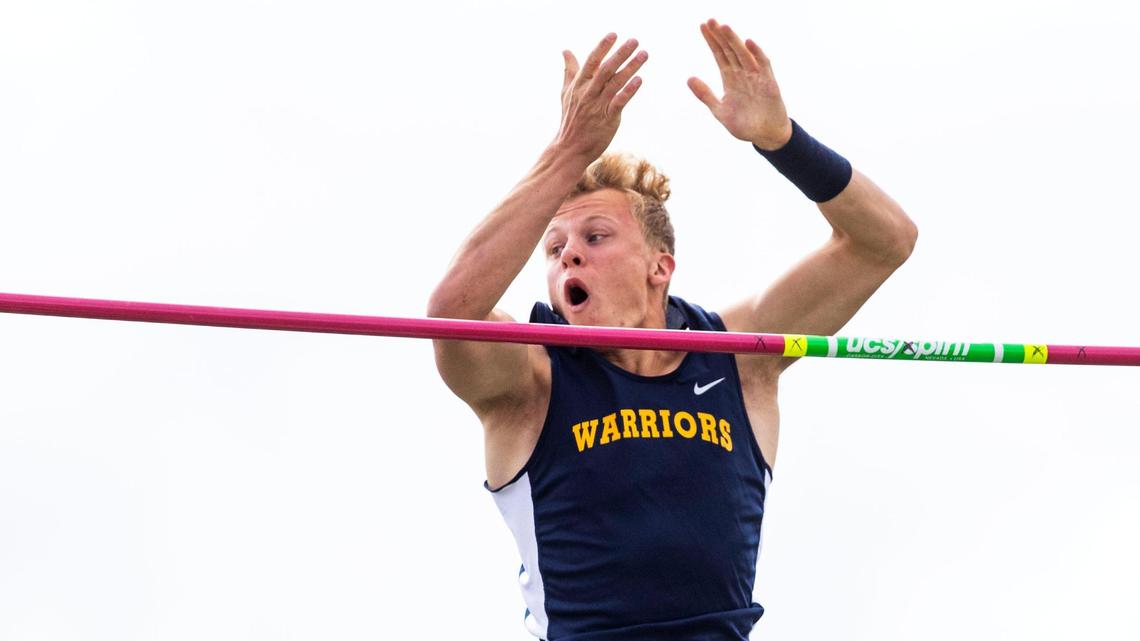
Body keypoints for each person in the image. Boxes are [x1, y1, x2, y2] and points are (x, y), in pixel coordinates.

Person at [427, 18, 917, 641]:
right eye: (553, 249)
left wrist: (783, 141)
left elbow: (885, 241)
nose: (568, 257)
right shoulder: (530, 377)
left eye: (595, 237)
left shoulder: (737, 353)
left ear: (662, 267)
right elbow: (452, 313)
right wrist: (568, 153)